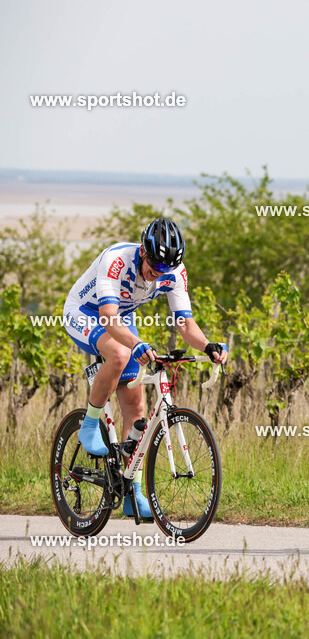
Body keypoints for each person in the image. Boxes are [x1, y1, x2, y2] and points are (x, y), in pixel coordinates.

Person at [63, 218, 228, 520]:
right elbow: (109, 319)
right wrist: (137, 344)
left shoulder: (173, 272)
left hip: (122, 317)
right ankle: (89, 426)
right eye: (153, 266)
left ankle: (132, 491)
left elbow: (185, 323)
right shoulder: (116, 261)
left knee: (136, 407)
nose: (157, 275)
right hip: (86, 312)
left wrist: (207, 346)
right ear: (142, 251)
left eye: (164, 270)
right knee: (119, 352)